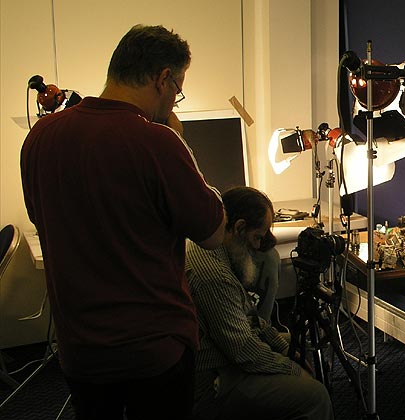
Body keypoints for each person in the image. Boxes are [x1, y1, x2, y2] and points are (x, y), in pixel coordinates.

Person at [20, 24, 226, 420]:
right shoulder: (157, 142)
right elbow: (214, 233)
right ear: (162, 79)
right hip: (153, 350)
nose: (175, 101)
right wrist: (180, 142)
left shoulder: (40, 137)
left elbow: (40, 216)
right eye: (178, 89)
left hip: (79, 350)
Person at [186, 186, 333, 420]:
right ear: (239, 227)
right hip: (214, 376)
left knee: (295, 344)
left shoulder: (215, 250)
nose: (257, 246)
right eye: (257, 237)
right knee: (316, 396)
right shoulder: (214, 276)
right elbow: (243, 349)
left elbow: (249, 317)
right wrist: (293, 370)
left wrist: (284, 349)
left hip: (227, 352)